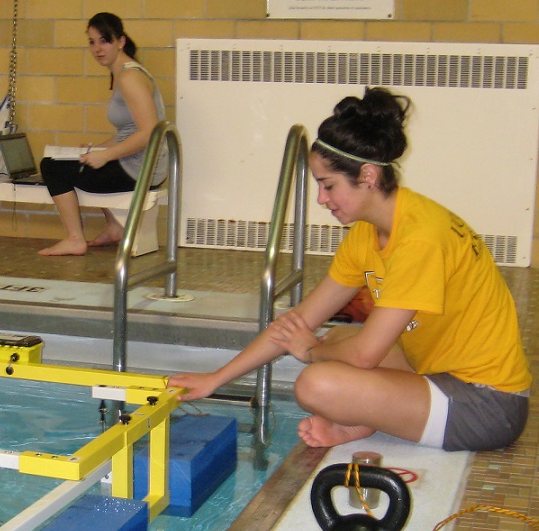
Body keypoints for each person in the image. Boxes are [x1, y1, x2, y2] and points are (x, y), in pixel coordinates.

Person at [169, 87, 530, 453]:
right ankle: (363, 420)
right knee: (339, 340)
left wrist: (309, 352)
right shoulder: (369, 231)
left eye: (328, 185)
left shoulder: (421, 238)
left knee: (317, 383)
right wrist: (215, 379)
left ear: (368, 176)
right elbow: (299, 321)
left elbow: (363, 357)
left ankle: (362, 418)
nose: (321, 199)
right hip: (438, 376)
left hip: (488, 406)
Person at [37, 12, 167, 256]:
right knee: (81, 158)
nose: (97, 48)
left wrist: (106, 155)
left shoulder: (130, 77)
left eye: (104, 40)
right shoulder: (123, 73)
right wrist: (97, 149)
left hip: (141, 169)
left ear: (121, 41)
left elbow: (149, 134)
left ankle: (75, 239)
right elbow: (127, 133)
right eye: (92, 42)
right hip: (142, 164)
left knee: (51, 167)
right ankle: (114, 227)